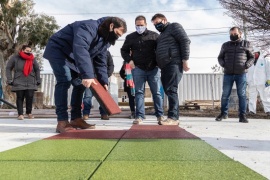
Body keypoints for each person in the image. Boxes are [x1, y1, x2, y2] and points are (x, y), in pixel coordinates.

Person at [43, 17, 127, 133]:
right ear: (111, 26)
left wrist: (103, 82)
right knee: (65, 80)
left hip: (73, 56)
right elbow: (81, 49)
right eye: (117, 33)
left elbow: (100, 61)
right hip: (59, 50)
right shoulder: (88, 27)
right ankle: (62, 121)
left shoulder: (105, 40)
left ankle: (76, 119)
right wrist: (87, 75)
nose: (117, 37)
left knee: (80, 85)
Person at [121, 15, 164, 124]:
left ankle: (160, 115)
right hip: (138, 69)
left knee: (157, 93)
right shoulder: (130, 37)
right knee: (139, 93)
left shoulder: (154, 36)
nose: (139, 27)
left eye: (141, 25)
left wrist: (159, 64)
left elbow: (160, 50)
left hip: (153, 69)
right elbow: (124, 50)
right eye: (137, 25)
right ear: (135, 25)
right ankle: (139, 116)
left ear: (146, 25)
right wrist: (129, 60)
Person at [151, 13, 191, 125]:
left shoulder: (174, 26)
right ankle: (172, 116)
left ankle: (173, 117)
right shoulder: (161, 35)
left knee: (171, 89)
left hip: (174, 62)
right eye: (154, 24)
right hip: (164, 66)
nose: (156, 25)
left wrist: (185, 59)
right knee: (168, 90)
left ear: (164, 20)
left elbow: (185, 40)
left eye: (158, 23)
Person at [216, 27, 254, 123]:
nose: (233, 35)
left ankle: (242, 115)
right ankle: (224, 113)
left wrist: (246, 65)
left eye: (235, 33)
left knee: (242, 95)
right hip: (228, 74)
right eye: (231, 34)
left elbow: (252, 58)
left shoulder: (247, 44)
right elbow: (220, 57)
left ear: (240, 34)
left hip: (241, 74)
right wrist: (223, 64)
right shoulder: (225, 45)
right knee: (225, 95)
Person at [6, 44, 41, 120]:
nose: (28, 52)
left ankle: (29, 112)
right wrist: (9, 79)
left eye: (30, 51)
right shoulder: (15, 58)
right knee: (20, 97)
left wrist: (38, 79)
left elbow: (37, 69)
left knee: (30, 97)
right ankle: (20, 114)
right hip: (19, 80)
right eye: (27, 51)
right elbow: (8, 68)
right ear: (22, 50)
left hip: (31, 80)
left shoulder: (32, 58)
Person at [82, 50, 114, 120]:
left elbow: (111, 65)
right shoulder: (89, 51)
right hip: (91, 78)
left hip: (101, 78)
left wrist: (106, 75)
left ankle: (104, 114)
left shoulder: (107, 53)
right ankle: (85, 114)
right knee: (87, 96)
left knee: (103, 97)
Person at [247, 48, 270, 116]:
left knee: (265, 97)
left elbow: (269, 71)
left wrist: (269, 80)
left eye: (255, 53)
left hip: (262, 82)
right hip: (252, 82)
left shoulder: (265, 60)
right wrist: (247, 80)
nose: (254, 54)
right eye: (253, 53)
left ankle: (268, 111)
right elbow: (248, 72)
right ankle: (252, 111)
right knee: (252, 97)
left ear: (259, 53)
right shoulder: (250, 62)